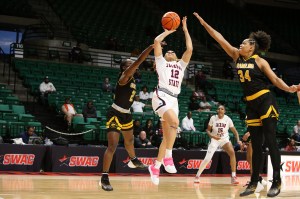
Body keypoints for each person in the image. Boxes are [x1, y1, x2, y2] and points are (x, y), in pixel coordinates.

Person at [193, 12, 299, 197]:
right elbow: (219, 37)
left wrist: (289, 89)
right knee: (255, 144)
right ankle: (254, 182)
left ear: (252, 47)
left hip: (266, 101)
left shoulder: (260, 61)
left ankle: (277, 181)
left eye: (244, 43)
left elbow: (274, 80)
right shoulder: (236, 56)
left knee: (271, 141)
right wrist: (204, 23)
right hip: (251, 105)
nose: (240, 44)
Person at [100, 44, 154, 191]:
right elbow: (139, 61)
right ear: (124, 68)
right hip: (115, 113)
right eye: (129, 64)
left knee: (129, 140)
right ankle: (104, 177)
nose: (133, 65)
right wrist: (151, 47)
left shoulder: (132, 80)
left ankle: (133, 159)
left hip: (126, 113)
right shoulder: (124, 77)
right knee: (112, 146)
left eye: (132, 63)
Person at [148, 16, 193, 185]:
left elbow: (189, 49)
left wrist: (185, 29)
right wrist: (166, 32)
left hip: (174, 100)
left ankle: (155, 166)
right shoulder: (160, 62)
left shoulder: (181, 65)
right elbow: (156, 41)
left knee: (167, 137)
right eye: (168, 52)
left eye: (173, 52)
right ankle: (168, 157)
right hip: (161, 95)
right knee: (174, 122)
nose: (170, 52)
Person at [194, 105, 242, 185]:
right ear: (217, 111)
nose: (220, 110)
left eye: (222, 109)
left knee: (232, 153)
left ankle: (233, 176)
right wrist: (213, 136)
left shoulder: (228, 119)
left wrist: (238, 140)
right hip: (214, 140)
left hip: (224, 139)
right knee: (207, 159)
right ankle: (197, 176)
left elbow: (235, 132)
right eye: (219, 109)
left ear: (224, 111)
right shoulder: (213, 118)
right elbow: (208, 130)